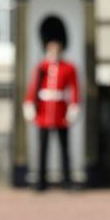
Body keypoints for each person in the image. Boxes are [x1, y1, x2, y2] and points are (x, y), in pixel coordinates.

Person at [23, 16, 80, 191]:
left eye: (56, 46)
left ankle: (67, 180)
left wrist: (73, 107)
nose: (54, 49)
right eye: (51, 46)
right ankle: (41, 181)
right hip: (44, 112)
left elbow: (74, 89)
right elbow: (34, 88)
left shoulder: (68, 68)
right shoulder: (41, 67)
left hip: (60, 112)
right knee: (43, 149)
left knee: (64, 149)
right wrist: (29, 104)